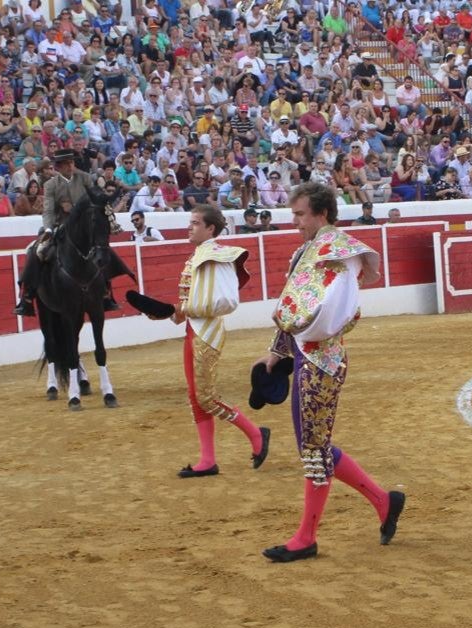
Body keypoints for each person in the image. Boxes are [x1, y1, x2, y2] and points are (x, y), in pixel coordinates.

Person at [253, 181, 406, 562]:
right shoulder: (308, 251)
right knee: (314, 445)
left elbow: (333, 312)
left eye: (301, 215)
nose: (295, 222)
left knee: (313, 447)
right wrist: (277, 351)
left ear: (322, 213)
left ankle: (306, 537)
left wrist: (300, 338)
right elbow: (293, 302)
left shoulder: (340, 253)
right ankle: (385, 502)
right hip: (309, 355)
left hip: (323, 359)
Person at [170, 204, 271, 478]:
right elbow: (193, 300)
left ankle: (255, 435)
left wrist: (188, 309)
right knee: (195, 397)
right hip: (193, 329)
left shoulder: (220, 256)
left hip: (208, 333)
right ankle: (207, 460)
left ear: (210, 228)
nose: (189, 227)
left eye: (194, 223)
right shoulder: (199, 255)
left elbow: (228, 301)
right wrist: (178, 313)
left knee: (206, 397)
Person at [14, 150, 130, 316]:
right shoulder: (50, 185)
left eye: (72, 162)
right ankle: (27, 297)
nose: (71, 166)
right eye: (67, 163)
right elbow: (48, 211)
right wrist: (48, 228)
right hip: (60, 227)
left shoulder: (85, 178)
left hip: (84, 228)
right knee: (36, 250)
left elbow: (96, 200)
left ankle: (106, 293)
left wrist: (76, 209)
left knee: (103, 249)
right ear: (58, 167)